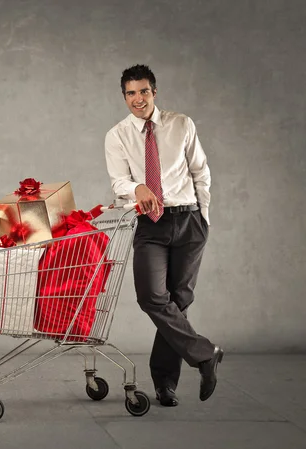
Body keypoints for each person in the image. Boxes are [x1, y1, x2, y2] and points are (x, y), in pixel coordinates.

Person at [104, 64, 223, 407]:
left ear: (154, 92)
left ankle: (165, 384)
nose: (137, 99)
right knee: (152, 297)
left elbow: (200, 170)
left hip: (188, 220)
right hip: (151, 225)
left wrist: (204, 217)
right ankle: (205, 354)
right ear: (124, 96)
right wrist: (137, 186)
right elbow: (118, 183)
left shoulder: (181, 124)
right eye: (130, 93)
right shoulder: (117, 135)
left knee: (179, 301)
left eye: (143, 91)